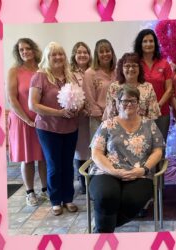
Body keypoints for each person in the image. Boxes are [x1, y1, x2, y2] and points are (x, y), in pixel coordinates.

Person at [89, 85, 164, 233]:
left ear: (138, 103)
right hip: (107, 171)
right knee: (107, 196)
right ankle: (104, 234)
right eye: (124, 101)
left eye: (133, 101)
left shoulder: (149, 124)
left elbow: (157, 150)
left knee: (132, 201)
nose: (129, 104)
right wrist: (113, 171)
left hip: (139, 173)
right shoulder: (107, 124)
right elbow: (96, 153)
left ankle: (102, 228)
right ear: (117, 103)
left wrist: (143, 169)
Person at [29, 42, 79, 216]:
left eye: (60, 54)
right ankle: (56, 200)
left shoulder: (70, 76)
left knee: (68, 165)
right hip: (48, 128)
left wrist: (77, 108)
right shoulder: (39, 77)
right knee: (54, 165)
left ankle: (69, 198)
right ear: (47, 58)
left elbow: (78, 98)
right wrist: (59, 113)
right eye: (53, 55)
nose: (58, 57)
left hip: (71, 127)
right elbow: (33, 104)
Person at [6, 38, 47, 206]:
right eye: (21, 49)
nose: (25, 52)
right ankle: (30, 192)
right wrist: (27, 120)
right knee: (28, 158)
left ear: (34, 50)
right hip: (23, 121)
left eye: (28, 48)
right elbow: (12, 99)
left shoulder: (43, 69)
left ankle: (46, 189)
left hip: (42, 120)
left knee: (44, 156)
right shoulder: (14, 71)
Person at [133, 29, 173, 141]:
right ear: (140, 44)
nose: (148, 44)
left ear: (155, 43)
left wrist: (157, 106)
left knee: (160, 144)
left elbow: (169, 89)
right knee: (142, 144)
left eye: (151, 41)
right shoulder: (135, 64)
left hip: (162, 112)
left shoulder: (164, 63)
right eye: (145, 41)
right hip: (140, 113)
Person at [102, 52, 160, 121]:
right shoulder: (113, 87)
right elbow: (110, 115)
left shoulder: (148, 87)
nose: (131, 69)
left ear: (139, 69)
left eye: (134, 66)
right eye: (127, 66)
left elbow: (153, 115)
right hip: (119, 129)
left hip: (143, 128)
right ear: (121, 69)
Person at [70, 41, 92, 194]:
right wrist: (80, 108)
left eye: (85, 52)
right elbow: (69, 94)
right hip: (79, 118)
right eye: (79, 52)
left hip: (94, 115)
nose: (82, 55)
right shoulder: (69, 73)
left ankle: (93, 179)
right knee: (81, 149)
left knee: (94, 147)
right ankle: (83, 182)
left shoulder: (93, 71)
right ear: (74, 55)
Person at [83, 39, 117, 138]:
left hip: (117, 118)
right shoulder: (90, 73)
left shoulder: (117, 71)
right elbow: (89, 98)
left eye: (107, 51)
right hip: (98, 119)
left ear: (112, 53)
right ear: (96, 55)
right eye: (101, 52)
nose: (105, 54)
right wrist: (103, 118)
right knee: (98, 150)